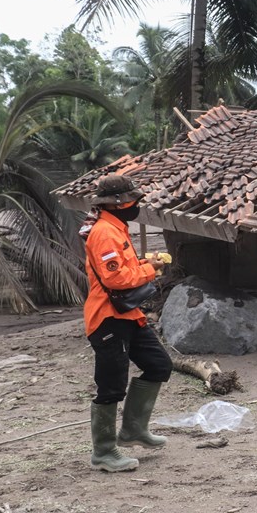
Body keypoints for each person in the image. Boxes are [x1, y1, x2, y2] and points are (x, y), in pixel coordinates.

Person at [83, 174, 171, 471]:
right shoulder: (105, 233)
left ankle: (133, 430)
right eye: (134, 200)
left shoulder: (116, 228)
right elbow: (115, 278)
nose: (137, 204)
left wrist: (149, 265)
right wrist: (149, 271)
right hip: (108, 319)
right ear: (118, 203)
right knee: (111, 386)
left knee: (159, 364)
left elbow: (124, 269)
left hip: (128, 316)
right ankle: (104, 452)